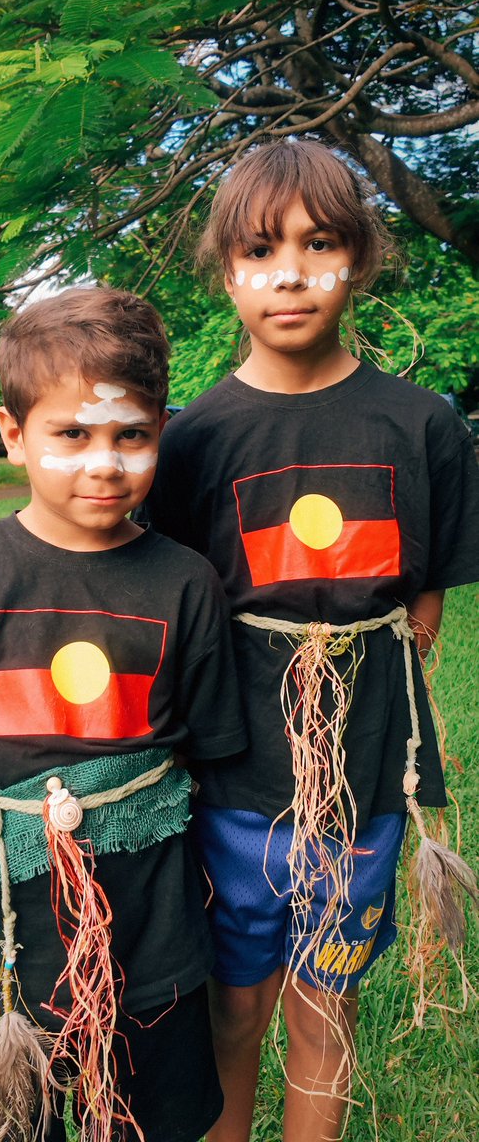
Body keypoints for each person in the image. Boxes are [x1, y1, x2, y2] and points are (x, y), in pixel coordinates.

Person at [142, 139, 479, 1142]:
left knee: (326, 1008)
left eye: (320, 243)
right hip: (231, 787)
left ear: (361, 259)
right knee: (234, 1007)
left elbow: (421, 611)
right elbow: (173, 618)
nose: (290, 273)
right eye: (259, 248)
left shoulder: (422, 426)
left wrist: (353, 722)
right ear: (227, 270)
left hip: (367, 790)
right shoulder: (194, 440)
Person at [0, 286, 247, 1142]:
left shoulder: (184, 584)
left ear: (160, 434)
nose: (103, 463)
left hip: (149, 939)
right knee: (4, 1123)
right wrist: (15, 848)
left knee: (150, 1120)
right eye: (70, 434)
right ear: (12, 435)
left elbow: (208, 761)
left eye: (130, 436)